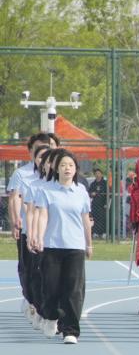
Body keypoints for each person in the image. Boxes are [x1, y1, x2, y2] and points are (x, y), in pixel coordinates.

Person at [30, 149, 92, 343]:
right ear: (56, 169)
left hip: (75, 246)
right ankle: (51, 317)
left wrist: (89, 244)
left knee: (73, 290)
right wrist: (39, 237)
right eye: (63, 165)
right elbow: (42, 216)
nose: (67, 168)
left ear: (76, 169)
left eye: (71, 165)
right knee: (51, 288)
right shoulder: (46, 190)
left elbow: (85, 219)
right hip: (52, 245)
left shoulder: (81, 191)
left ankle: (70, 330)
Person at [7, 133, 57, 317]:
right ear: (32, 153)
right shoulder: (22, 174)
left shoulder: (59, 176)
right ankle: (32, 300)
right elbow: (15, 198)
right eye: (38, 150)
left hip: (51, 232)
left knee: (48, 271)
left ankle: (46, 307)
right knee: (28, 269)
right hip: (28, 229)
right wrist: (16, 222)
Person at [88, 168, 108, 237]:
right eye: (96, 173)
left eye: (99, 173)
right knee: (95, 218)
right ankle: (95, 232)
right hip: (95, 204)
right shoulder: (93, 184)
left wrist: (106, 203)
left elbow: (108, 194)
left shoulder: (105, 183)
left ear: (101, 174)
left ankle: (104, 232)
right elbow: (89, 193)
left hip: (103, 204)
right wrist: (91, 194)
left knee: (103, 218)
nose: (97, 175)